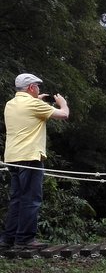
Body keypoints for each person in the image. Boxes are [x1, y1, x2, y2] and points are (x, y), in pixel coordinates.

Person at [0, 73, 69, 248]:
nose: (38, 89)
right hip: (30, 157)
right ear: (31, 88)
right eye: (37, 86)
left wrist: (36, 99)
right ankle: (24, 239)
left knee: (17, 199)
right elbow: (63, 115)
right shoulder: (34, 104)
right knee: (31, 199)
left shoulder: (10, 104)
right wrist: (63, 103)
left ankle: (8, 239)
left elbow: (27, 109)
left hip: (12, 158)